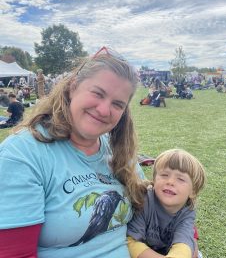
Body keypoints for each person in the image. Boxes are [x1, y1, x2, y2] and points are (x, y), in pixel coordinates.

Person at [0, 47, 147, 258]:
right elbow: (15, 254)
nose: (104, 110)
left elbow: (153, 208)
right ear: (73, 87)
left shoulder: (118, 150)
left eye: (117, 104)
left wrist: (186, 239)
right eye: (98, 93)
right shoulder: (23, 154)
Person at [127, 149, 206, 258]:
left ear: (192, 191)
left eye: (180, 179)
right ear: (154, 180)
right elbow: (131, 242)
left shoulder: (186, 212)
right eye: (164, 175)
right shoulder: (145, 201)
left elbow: (184, 244)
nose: (170, 182)